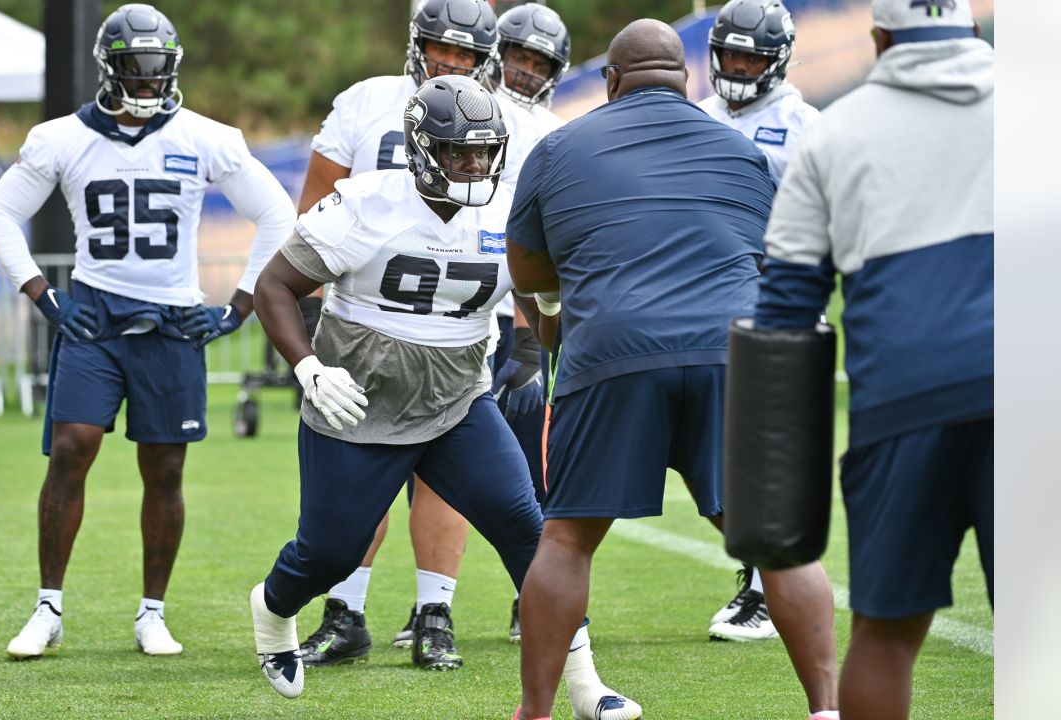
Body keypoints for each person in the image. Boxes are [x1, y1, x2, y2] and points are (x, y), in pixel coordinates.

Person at [248, 75, 639, 720]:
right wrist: (309, 366)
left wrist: (550, 308)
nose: (473, 165)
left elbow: (540, 299)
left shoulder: (510, 211)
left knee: (529, 529)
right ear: (422, 148)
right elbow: (274, 287)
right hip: (359, 401)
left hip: (458, 401)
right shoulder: (364, 202)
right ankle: (271, 609)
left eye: (483, 152)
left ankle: (584, 686)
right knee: (329, 552)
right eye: (459, 152)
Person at [506, 19, 838, 720]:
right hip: (733, 353)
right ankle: (827, 710)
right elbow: (772, 257)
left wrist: (554, 324)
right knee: (776, 541)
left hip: (614, 350)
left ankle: (534, 714)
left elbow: (529, 267)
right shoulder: (741, 150)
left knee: (566, 537)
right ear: (687, 81)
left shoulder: (558, 145)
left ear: (612, 82)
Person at [0, 3, 295, 659]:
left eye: (159, 70)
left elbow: (275, 213)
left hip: (172, 320)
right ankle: (48, 608)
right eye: (137, 70)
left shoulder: (205, 136)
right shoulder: (63, 138)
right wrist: (42, 296)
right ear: (110, 69)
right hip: (95, 315)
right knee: (72, 446)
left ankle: (152, 612)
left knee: (166, 467)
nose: (149, 83)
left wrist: (239, 306)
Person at [293, 0, 560, 669]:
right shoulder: (366, 101)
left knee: (446, 474)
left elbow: (528, 240)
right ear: (416, 44)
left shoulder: (514, 124)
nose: (449, 61)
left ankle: (433, 610)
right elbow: (313, 210)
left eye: (466, 52)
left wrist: (528, 340)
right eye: (439, 47)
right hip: (370, 313)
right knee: (363, 468)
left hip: (470, 313)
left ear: (485, 57)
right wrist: (309, 333)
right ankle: (345, 607)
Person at [755, 1, 993, 717]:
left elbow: (785, 315)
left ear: (880, 39)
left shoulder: (834, 135)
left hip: (902, 399)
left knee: (886, 634)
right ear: (973, 30)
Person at [696, 0, 821, 643]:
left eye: (753, 57)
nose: (740, 67)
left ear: (777, 61)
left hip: (778, 299)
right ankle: (761, 579)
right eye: (732, 54)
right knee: (725, 453)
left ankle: (774, 587)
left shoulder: (805, 126)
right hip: (706, 305)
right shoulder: (697, 116)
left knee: (771, 451)